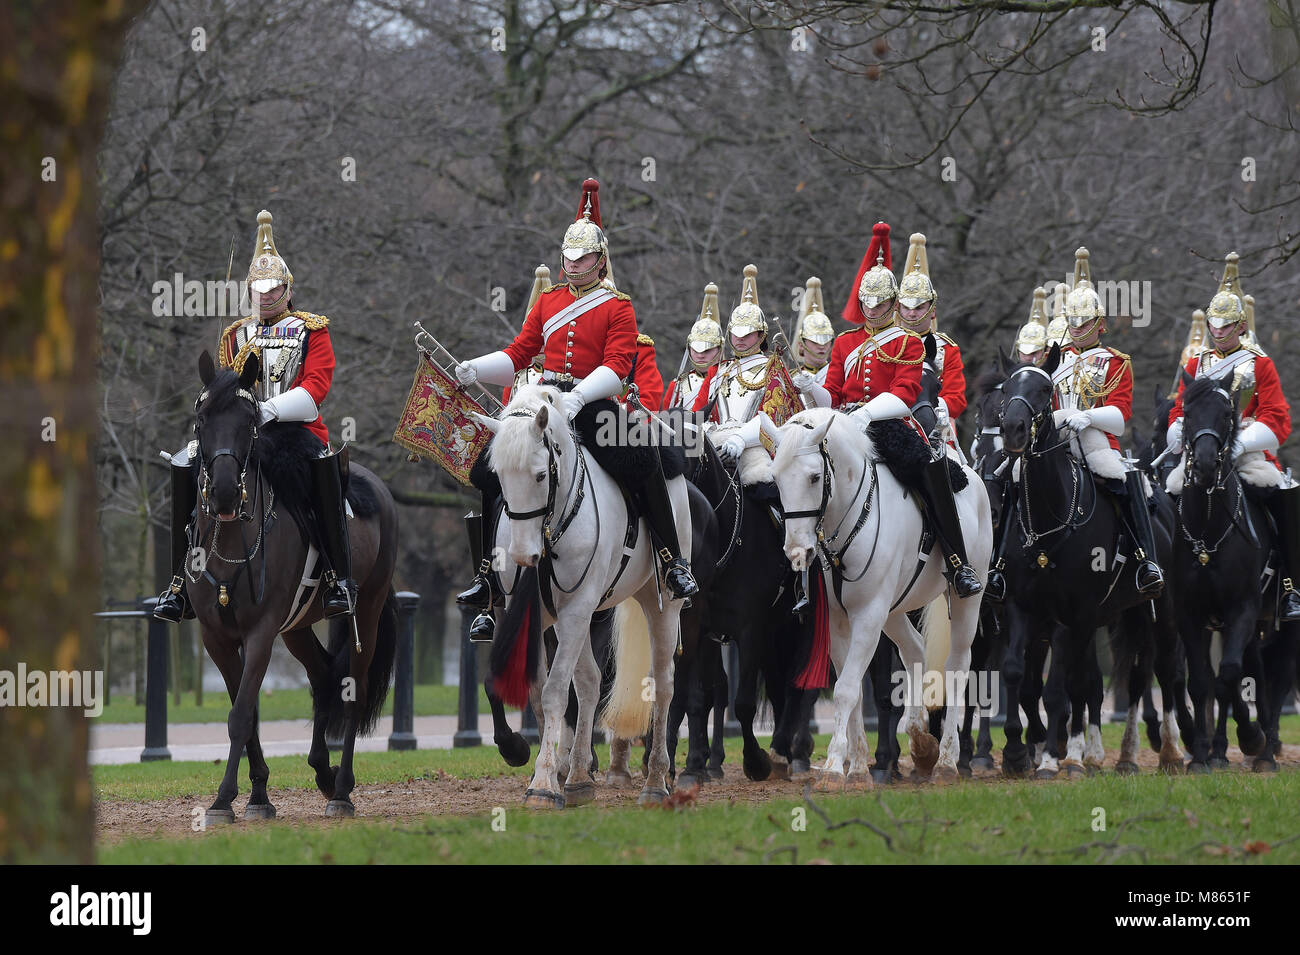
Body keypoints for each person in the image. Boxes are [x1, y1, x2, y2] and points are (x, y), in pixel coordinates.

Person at [453, 179, 698, 641]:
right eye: (569, 257)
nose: (574, 265)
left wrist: (581, 396)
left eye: (584, 258)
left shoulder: (618, 307)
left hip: (592, 405)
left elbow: (618, 364)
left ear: (600, 260)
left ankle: (671, 561)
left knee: (644, 458)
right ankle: (489, 576)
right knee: (488, 469)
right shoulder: (548, 301)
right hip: (544, 402)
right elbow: (520, 353)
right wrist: (475, 369)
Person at [154, 210, 357, 621]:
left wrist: (266, 410)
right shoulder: (234, 334)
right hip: (239, 432)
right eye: (258, 289)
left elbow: (315, 389)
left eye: (272, 288)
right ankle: (178, 582)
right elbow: (222, 386)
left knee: (320, 473)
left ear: (286, 288)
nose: (264, 296)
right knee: (186, 463)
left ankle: (338, 577)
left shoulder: (311, 329)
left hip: (294, 429)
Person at [807, 221, 981, 598]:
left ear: (893, 302)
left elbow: (904, 394)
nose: (871, 310)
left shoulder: (908, 343)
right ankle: (801, 574)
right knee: (803, 469)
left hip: (888, 423)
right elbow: (833, 394)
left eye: (881, 303)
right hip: (843, 421)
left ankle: (957, 562)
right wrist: (811, 387)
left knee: (926, 471)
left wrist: (868, 414)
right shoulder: (844, 343)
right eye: (866, 303)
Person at [1167, 252, 1299, 620]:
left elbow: (1277, 417)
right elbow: (1179, 410)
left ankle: (1290, 585)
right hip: (1203, 448)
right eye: (1214, 324)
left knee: (1284, 495)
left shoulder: (1261, 363)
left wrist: (1239, 442)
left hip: (1247, 452)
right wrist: (1179, 432)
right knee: (1167, 493)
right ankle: (1160, 573)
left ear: (1241, 326)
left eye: (1226, 325)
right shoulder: (1195, 364)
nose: (1218, 330)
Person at [1050, 246, 1163, 597]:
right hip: (1055, 437)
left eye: (1083, 322)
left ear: (1099, 324)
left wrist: (1088, 416)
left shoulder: (1115, 361)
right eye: (1071, 321)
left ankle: (1145, 559)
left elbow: (1120, 415)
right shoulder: (1054, 358)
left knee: (1126, 482)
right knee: (1010, 476)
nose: (1076, 328)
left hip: (1097, 441)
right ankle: (1000, 563)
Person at [690, 264, 778, 462]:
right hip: (715, 446)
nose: (740, 338)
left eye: (747, 333)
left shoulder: (774, 369)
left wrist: (743, 438)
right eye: (735, 332)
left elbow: (774, 419)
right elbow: (698, 412)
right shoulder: (718, 370)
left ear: (761, 334)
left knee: (762, 488)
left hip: (757, 447)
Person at [663, 284, 723, 411]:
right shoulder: (677, 385)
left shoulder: (730, 380)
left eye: (707, 350)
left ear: (719, 349)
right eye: (696, 349)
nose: (700, 355)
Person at [789, 276, 836, 404]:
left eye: (826, 341)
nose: (822, 346)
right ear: (801, 345)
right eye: (815, 341)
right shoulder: (791, 377)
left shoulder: (837, 374)